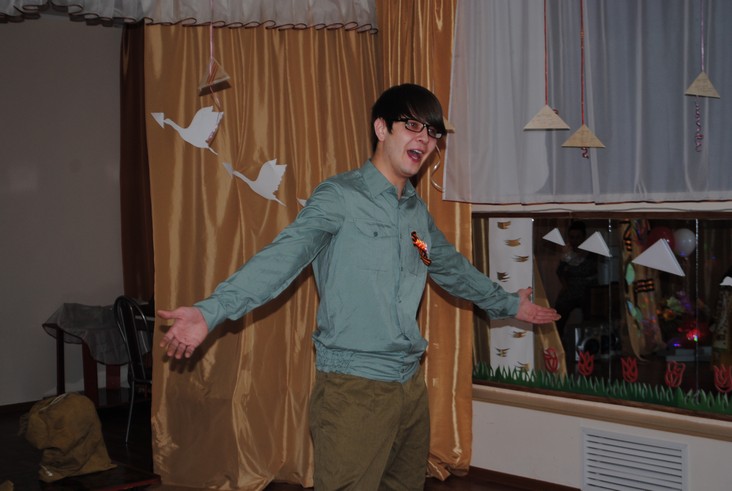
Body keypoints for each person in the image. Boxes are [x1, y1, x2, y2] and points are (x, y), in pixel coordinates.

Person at [158, 83, 560, 490]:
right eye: (413, 126)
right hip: (353, 390)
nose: (425, 139)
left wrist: (509, 303)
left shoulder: (415, 214)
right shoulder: (340, 198)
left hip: (409, 388)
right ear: (381, 128)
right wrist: (210, 311)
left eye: (433, 132)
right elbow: (281, 258)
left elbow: (450, 268)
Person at [554, 220, 598, 349]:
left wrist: (571, 270)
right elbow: (559, 271)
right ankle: (557, 343)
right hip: (571, 288)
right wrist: (565, 286)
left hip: (587, 290)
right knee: (558, 312)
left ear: (584, 237)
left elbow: (587, 270)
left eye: (578, 237)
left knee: (590, 316)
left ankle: (588, 345)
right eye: (572, 237)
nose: (575, 241)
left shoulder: (591, 252)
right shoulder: (567, 253)